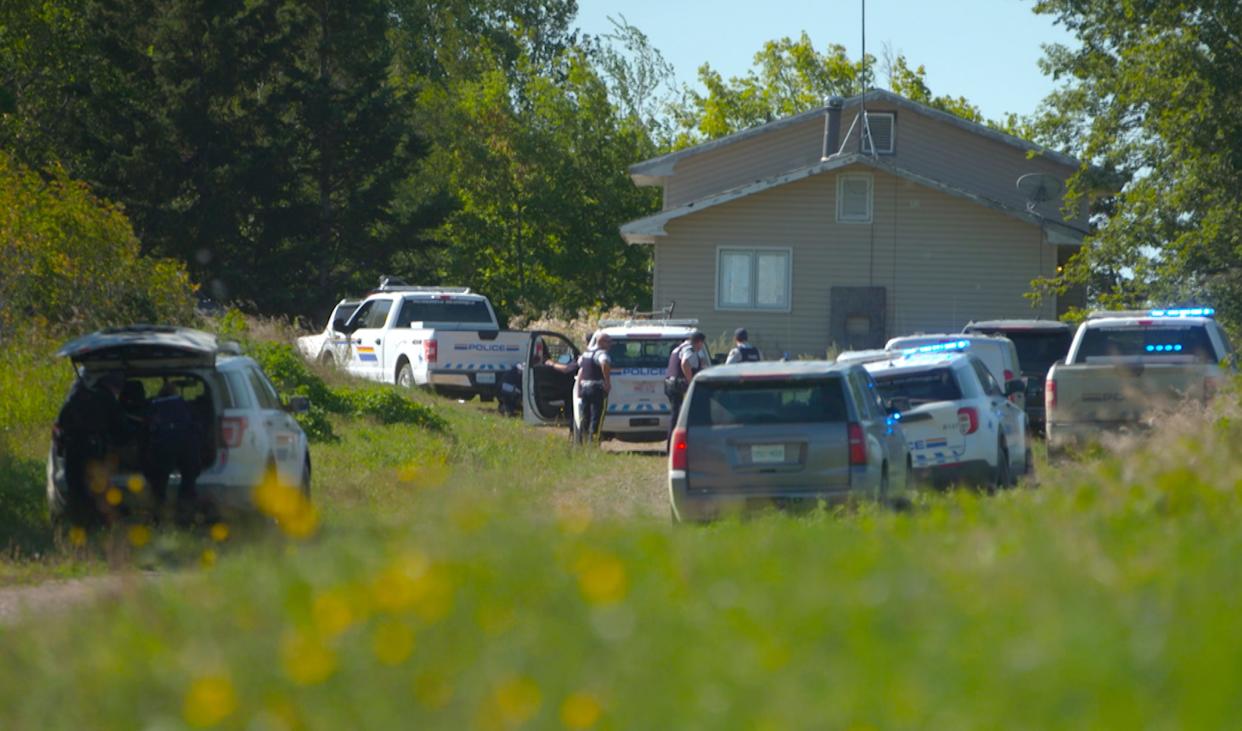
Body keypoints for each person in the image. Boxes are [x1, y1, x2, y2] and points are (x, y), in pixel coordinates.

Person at [55, 371, 127, 526]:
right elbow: (121, 431)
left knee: (77, 487)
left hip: (72, 448)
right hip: (93, 449)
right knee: (96, 487)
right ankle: (101, 521)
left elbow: (60, 425)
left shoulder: (74, 397)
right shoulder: (106, 399)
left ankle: (80, 521)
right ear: (116, 386)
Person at [143, 380, 203, 525]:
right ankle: (186, 517)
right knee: (188, 481)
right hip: (187, 445)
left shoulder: (154, 405)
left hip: (164, 446)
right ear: (175, 392)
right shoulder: (184, 404)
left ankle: (158, 518)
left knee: (159, 484)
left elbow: (147, 428)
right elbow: (197, 424)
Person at [665, 331, 709, 445]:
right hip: (678, 385)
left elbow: (701, 363)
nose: (701, 347)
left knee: (677, 414)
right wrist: (691, 382)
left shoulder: (680, 347)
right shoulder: (690, 349)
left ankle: (674, 443)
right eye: (702, 344)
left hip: (670, 383)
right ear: (699, 342)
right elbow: (685, 363)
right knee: (679, 415)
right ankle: (673, 445)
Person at [575, 332, 612, 445]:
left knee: (585, 416)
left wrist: (578, 388)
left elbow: (581, 368)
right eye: (608, 342)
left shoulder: (586, 353)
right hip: (596, 388)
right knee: (596, 417)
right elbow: (604, 364)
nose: (610, 345)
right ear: (601, 342)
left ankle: (582, 442)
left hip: (585, 388)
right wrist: (607, 382)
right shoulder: (601, 354)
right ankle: (593, 443)